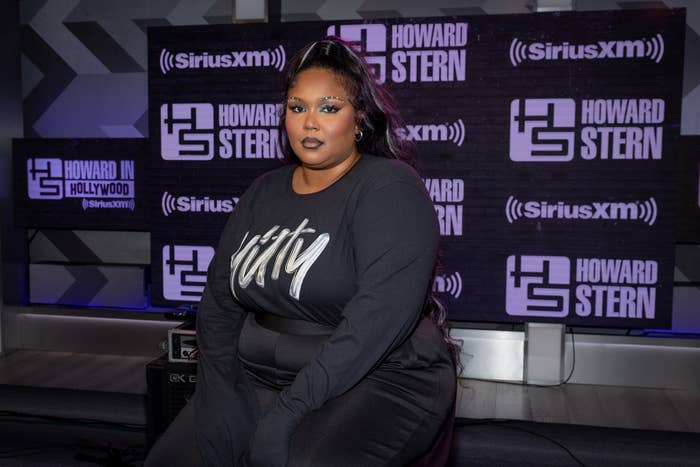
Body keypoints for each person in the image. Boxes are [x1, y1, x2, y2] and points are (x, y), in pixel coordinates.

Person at [146, 37, 457, 467]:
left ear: (359, 118)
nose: (309, 122)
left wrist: (288, 413)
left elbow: (377, 320)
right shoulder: (264, 190)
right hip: (259, 373)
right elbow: (218, 303)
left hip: (375, 375)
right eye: (297, 107)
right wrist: (218, 391)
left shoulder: (389, 186)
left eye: (328, 108)